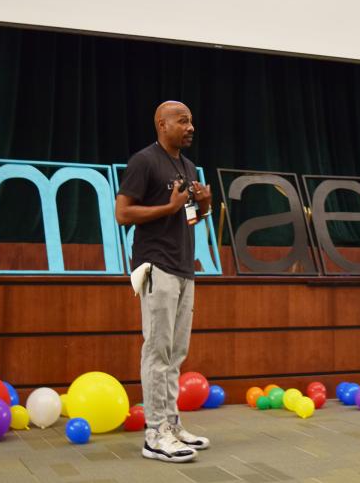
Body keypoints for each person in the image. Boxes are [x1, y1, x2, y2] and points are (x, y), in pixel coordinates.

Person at [115, 101, 212, 463]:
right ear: (162, 123)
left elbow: (188, 219)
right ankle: (154, 434)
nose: (190, 127)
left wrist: (204, 203)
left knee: (176, 352)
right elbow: (123, 212)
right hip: (156, 266)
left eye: (192, 121)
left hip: (184, 267)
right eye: (182, 121)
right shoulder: (144, 161)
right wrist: (168, 208)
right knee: (157, 351)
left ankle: (171, 423)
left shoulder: (186, 165)